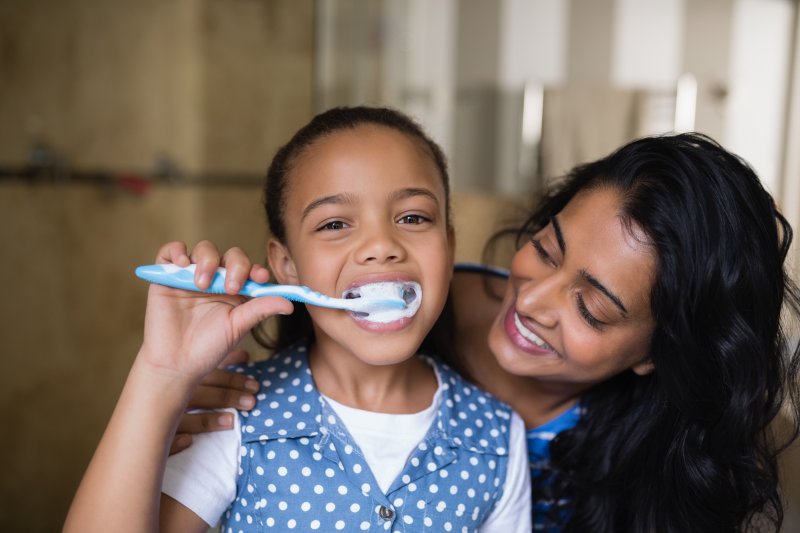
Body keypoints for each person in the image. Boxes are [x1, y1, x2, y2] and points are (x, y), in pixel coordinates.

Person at [179, 132, 800, 532]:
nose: (531, 300)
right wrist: (176, 395)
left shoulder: (653, 474)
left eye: (593, 310)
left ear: (657, 356)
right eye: (546, 250)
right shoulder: (409, 298)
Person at [63, 106, 532, 532]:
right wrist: (161, 375)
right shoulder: (234, 417)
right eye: (334, 224)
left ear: (449, 247)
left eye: (412, 217)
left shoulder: (496, 437)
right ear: (286, 264)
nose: (381, 245)